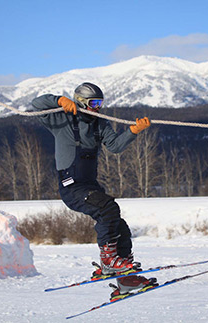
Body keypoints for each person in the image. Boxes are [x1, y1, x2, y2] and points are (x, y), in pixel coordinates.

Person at [31, 82, 151, 280]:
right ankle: (108, 261)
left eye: (100, 103)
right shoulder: (61, 119)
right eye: (94, 103)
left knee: (117, 224)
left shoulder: (99, 123)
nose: (98, 108)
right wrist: (59, 100)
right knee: (107, 208)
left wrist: (133, 131)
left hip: (90, 186)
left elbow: (115, 146)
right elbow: (36, 104)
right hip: (72, 187)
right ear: (81, 101)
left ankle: (125, 269)